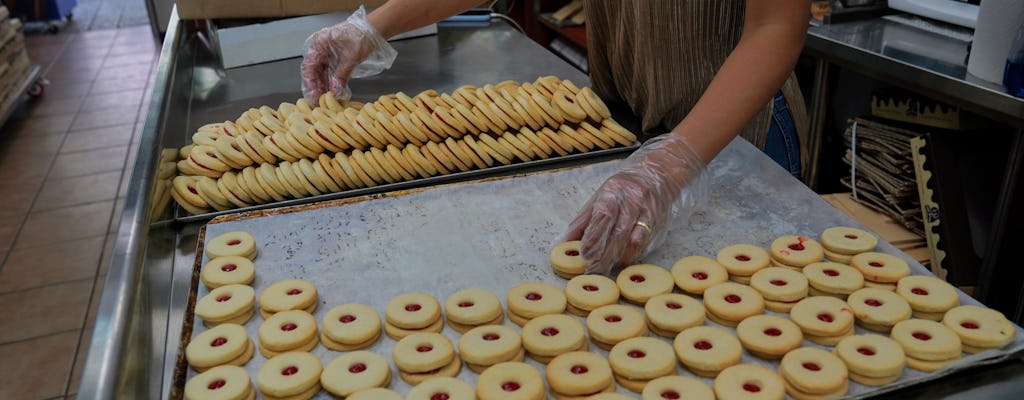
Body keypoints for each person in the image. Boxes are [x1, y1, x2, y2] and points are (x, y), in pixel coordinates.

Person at [301, 0, 811, 275]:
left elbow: (776, 27)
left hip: (735, 139)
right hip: (634, 127)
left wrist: (670, 164)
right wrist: (372, 26)